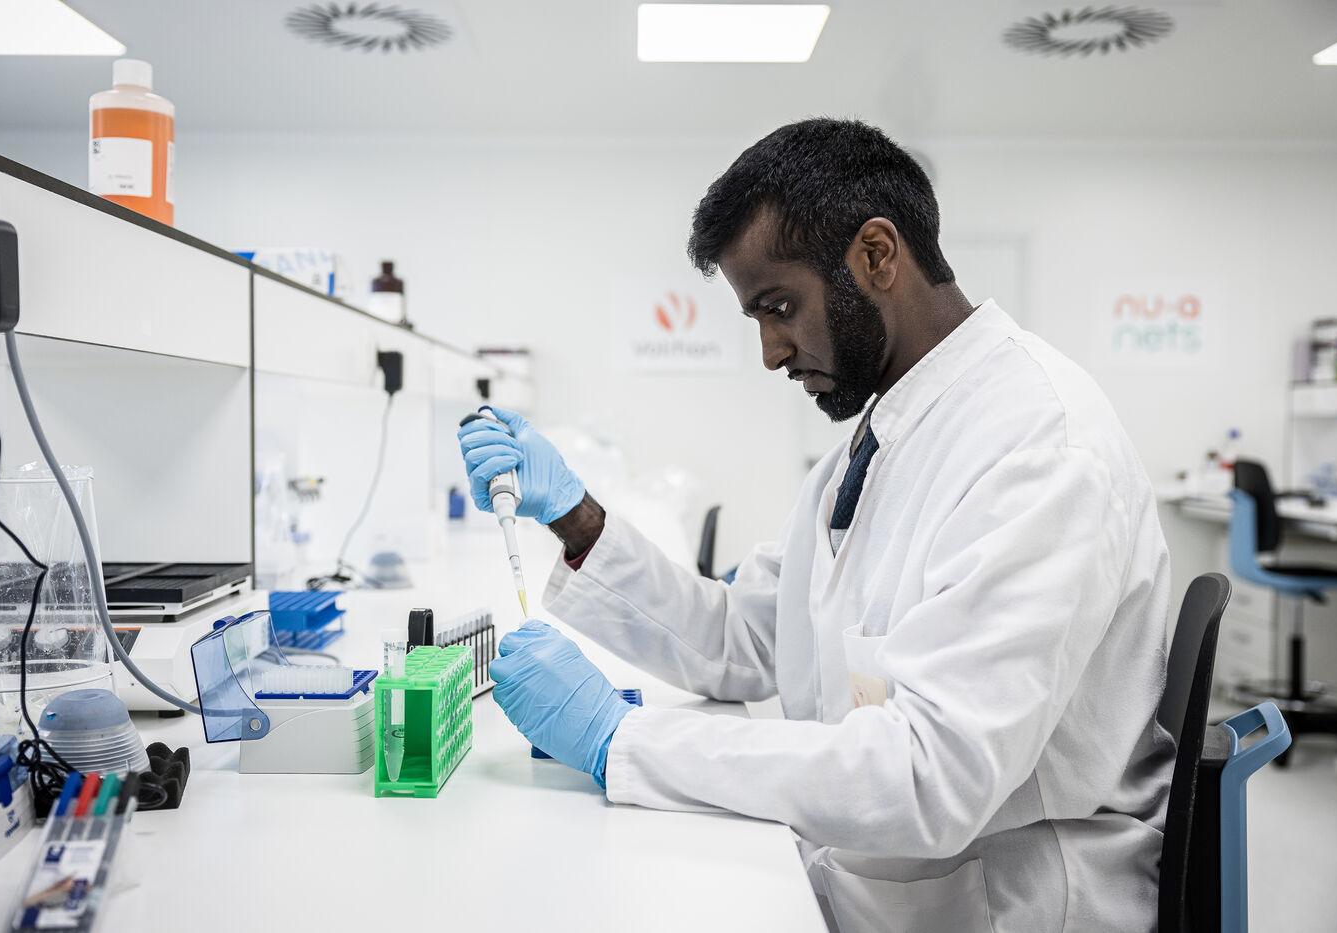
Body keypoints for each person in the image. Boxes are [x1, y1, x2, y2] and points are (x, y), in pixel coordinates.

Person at [458, 118, 1174, 932]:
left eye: (780, 307)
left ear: (877, 254)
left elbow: (932, 776)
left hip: (1007, 903)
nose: (770, 351)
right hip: (885, 878)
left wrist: (619, 738)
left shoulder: (1040, 444)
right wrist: (574, 516)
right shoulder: (876, 441)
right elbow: (743, 638)